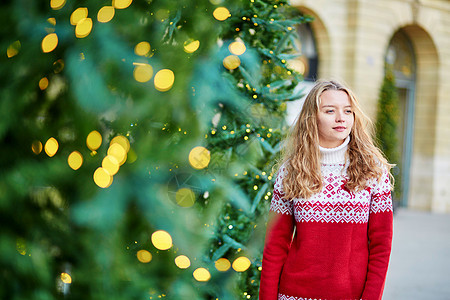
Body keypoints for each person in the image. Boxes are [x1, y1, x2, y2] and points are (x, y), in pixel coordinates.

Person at [259, 79, 394, 300]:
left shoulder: (373, 171)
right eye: (330, 110)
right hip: (293, 293)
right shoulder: (290, 171)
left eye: (348, 111)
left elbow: (381, 247)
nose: (341, 118)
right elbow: (275, 246)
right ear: (312, 117)